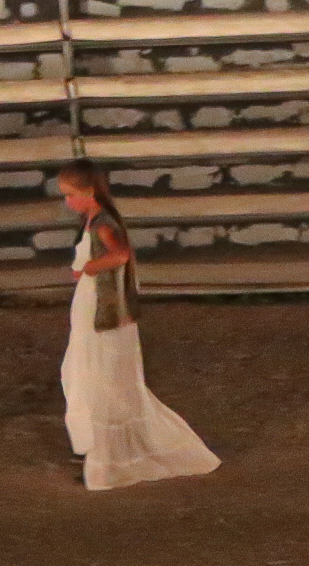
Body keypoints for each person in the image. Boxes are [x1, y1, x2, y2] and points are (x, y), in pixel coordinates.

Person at [55, 162, 220, 492]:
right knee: (85, 375)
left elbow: (120, 254)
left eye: (71, 195)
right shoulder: (92, 220)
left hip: (101, 313)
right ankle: (97, 450)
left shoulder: (102, 221)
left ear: (89, 193)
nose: (67, 202)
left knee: (101, 379)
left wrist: (88, 267)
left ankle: (108, 457)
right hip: (91, 308)